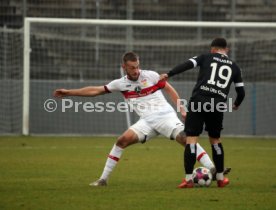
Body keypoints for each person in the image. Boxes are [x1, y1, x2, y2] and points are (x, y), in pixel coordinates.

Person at [54, 51, 224, 187]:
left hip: (165, 116)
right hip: (147, 122)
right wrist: (69, 92)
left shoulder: (150, 76)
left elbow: (170, 90)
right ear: (124, 67)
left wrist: (181, 108)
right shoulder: (120, 83)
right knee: (121, 141)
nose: (136, 71)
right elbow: (95, 91)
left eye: (137, 67)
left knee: (185, 139)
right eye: (132, 68)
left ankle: (212, 169)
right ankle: (103, 180)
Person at [160, 37, 245, 188]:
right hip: (217, 105)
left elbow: (187, 64)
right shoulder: (235, 66)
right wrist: (237, 104)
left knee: (191, 139)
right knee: (215, 140)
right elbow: (241, 92)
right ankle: (220, 179)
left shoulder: (206, 57)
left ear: (212, 49)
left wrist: (169, 74)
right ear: (227, 50)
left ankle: (188, 180)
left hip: (199, 101)